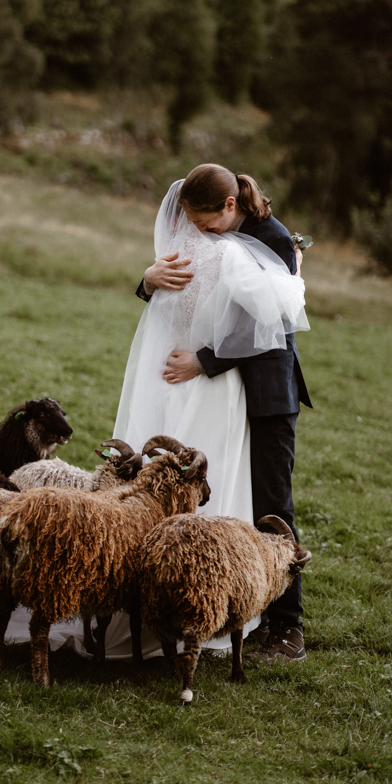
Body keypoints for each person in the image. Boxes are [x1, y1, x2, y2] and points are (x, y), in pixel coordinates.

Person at [134, 163, 312, 662]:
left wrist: (203, 361)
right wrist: (147, 282)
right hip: (218, 391)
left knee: (273, 504)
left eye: (203, 220)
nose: (196, 229)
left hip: (266, 393)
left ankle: (287, 626)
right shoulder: (208, 231)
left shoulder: (274, 240)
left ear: (229, 206)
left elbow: (271, 325)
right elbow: (181, 294)